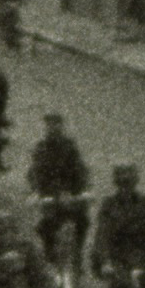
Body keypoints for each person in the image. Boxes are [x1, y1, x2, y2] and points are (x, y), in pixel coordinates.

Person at [27, 113, 90, 274]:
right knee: (45, 225)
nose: (53, 129)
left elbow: (80, 171)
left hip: (70, 195)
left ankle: (77, 256)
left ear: (61, 127)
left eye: (56, 125)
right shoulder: (40, 148)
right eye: (49, 125)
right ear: (45, 128)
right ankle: (50, 257)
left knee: (82, 220)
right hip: (49, 196)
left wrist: (83, 190)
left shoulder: (70, 147)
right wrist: (36, 192)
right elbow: (35, 173)